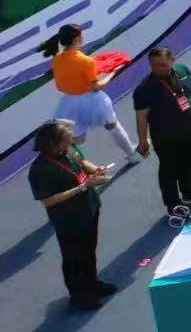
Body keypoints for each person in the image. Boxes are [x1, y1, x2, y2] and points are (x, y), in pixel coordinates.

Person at [27, 120, 118, 310]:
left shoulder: (68, 149)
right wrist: (82, 187)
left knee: (89, 251)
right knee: (74, 258)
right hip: (69, 220)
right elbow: (48, 200)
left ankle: (92, 285)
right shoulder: (40, 170)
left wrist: (96, 170)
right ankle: (80, 296)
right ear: (52, 143)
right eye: (66, 141)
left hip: (89, 209)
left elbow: (82, 163)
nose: (70, 143)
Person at [131, 46, 191, 212]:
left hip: (190, 130)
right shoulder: (144, 90)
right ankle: (173, 205)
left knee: (186, 162)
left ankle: (190, 193)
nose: (157, 69)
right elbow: (141, 117)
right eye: (154, 65)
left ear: (172, 60)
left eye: (162, 65)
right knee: (168, 170)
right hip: (166, 138)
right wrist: (143, 141)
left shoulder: (183, 70)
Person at [39, 24, 140, 161]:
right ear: (76, 39)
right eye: (81, 34)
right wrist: (113, 72)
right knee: (112, 125)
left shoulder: (57, 59)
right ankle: (131, 154)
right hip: (93, 101)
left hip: (69, 103)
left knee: (77, 139)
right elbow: (96, 87)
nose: (83, 36)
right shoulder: (86, 61)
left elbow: (61, 86)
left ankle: (60, 156)